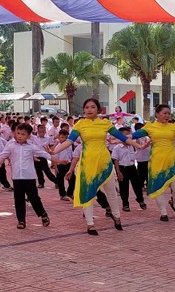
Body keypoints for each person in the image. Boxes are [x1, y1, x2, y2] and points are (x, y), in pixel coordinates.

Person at [51, 99, 134, 235]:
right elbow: (69, 141)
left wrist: (138, 145)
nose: (89, 110)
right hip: (88, 163)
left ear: (98, 109)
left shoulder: (105, 123)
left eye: (93, 107)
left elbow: (122, 137)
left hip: (104, 162)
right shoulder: (80, 125)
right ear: (84, 110)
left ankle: (117, 217)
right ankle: (90, 224)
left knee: (111, 192)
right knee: (88, 192)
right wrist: (54, 151)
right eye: (87, 107)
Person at [112, 127, 145, 212]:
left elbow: (139, 148)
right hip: (122, 168)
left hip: (132, 167)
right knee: (124, 187)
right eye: (126, 135)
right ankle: (125, 204)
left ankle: (140, 200)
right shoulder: (117, 148)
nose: (129, 138)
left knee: (137, 185)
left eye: (130, 135)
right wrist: (118, 172)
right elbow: (116, 160)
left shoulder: (132, 146)